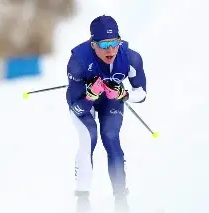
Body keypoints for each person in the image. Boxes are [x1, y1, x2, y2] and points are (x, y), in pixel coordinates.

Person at [66, 15, 147, 213]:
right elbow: (76, 107)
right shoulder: (78, 61)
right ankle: (82, 203)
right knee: (89, 137)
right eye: (104, 44)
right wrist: (90, 96)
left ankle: (121, 201)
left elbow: (142, 94)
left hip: (112, 98)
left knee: (111, 138)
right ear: (93, 44)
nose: (110, 49)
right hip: (84, 101)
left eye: (114, 43)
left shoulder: (130, 57)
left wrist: (123, 94)